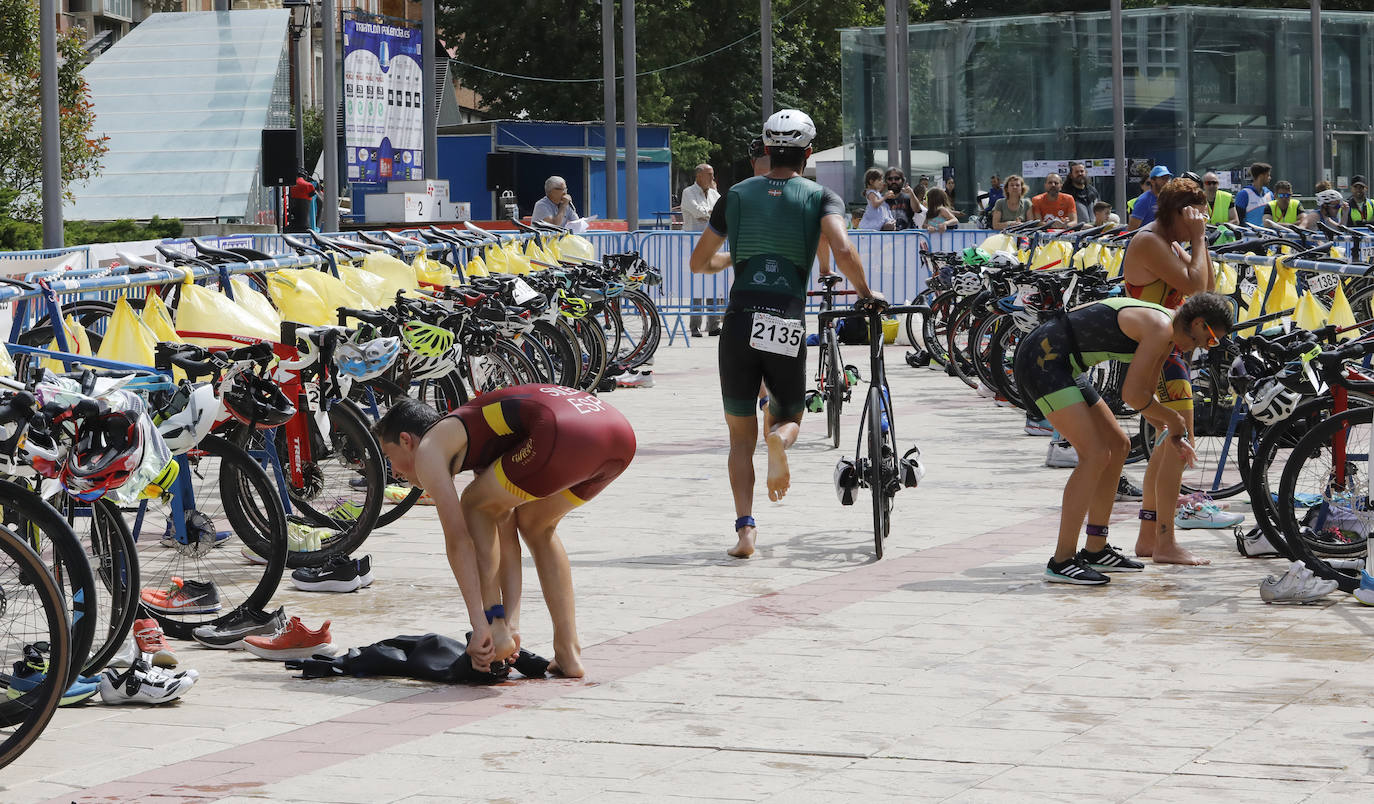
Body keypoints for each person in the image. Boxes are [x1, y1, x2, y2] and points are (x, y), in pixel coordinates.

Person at [688, 109, 881, 559]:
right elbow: (842, 248)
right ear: (808, 153)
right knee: (789, 416)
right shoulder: (820, 196)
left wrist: (736, 258)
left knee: (739, 440)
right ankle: (779, 439)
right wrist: (866, 294)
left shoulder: (734, 194)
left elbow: (699, 263)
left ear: (767, 149)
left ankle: (745, 531)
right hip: (784, 319)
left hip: (739, 320)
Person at [374, 390, 637, 678]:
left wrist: (482, 627)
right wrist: (511, 624)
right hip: (618, 437)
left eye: (388, 457)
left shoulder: (429, 449)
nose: (394, 473)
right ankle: (567, 651)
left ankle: (496, 630)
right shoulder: (482, 444)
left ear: (406, 441)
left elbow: (459, 541)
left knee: (474, 503)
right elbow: (505, 533)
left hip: (566, 430)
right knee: (537, 524)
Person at [1013, 292, 1234, 584]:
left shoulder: (1167, 335)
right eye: (1210, 339)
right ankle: (1062, 560)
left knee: (1118, 445)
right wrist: (1173, 420)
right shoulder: (1160, 328)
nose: (1206, 347)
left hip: (1065, 364)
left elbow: (1147, 397)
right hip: (1044, 359)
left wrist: (1172, 434)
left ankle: (1096, 549)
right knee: (1095, 454)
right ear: (1197, 323)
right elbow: (1132, 396)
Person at [1121, 176, 1240, 565]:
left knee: (1167, 444)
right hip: (1154, 349)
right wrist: (1199, 239)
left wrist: (1195, 240)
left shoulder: (1169, 242)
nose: (1204, 218)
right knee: (1178, 440)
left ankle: (1149, 536)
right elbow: (1196, 285)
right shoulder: (1149, 242)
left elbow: (1201, 292)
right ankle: (1165, 543)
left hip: (1166, 349)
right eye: (1199, 212)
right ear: (1180, 212)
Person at [682, 163, 723, 337]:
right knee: (697, 286)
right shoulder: (688, 192)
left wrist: (711, 212)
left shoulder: (714, 193)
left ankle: (714, 325)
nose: (712, 178)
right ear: (699, 176)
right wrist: (712, 213)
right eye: (709, 174)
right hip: (694, 244)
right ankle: (695, 325)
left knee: (714, 284)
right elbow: (698, 212)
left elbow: (721, 211)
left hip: (713, 244)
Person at [1127, 165, 1171, 230]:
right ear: (1152, 181)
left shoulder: (1168, 199)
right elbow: (1132, 229)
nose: (1166, 181)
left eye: (1168, 178)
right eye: (1163, 178)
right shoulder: (1144, 200)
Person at [1234, 162, 1274, 226]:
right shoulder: (1244, 194)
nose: (1270, 178)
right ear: (1261, 176)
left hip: (1268, 234)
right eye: (1268, 175)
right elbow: (1239, 219)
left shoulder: (1270, 194)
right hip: (1250, 235)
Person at [1063, 161, 1099, 225]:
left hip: (1094, 227)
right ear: (1071, 175)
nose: (1080, 174)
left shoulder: (1093, 191)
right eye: (1076, 172)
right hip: (1077, 230)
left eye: (1082, 171)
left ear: (1085, 173)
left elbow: (1100, 209)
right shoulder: (1066, 193)